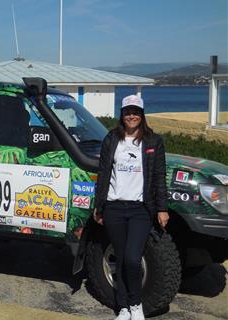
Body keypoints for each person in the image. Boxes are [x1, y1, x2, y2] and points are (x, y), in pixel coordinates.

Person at [93, 95, 169, 320]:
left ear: (142, 115)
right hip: (114, 208)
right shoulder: (112, 138)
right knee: (122, 258)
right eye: (128, 112)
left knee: (133, 259)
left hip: (140, 210)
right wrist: (99, 206)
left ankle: (136, 305)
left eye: (136, 112)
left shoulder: (153, 141)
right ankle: (124, 308)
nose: (132, 116)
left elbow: (158, 177)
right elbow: (104, 173)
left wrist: (162, 208)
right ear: (122, 114)